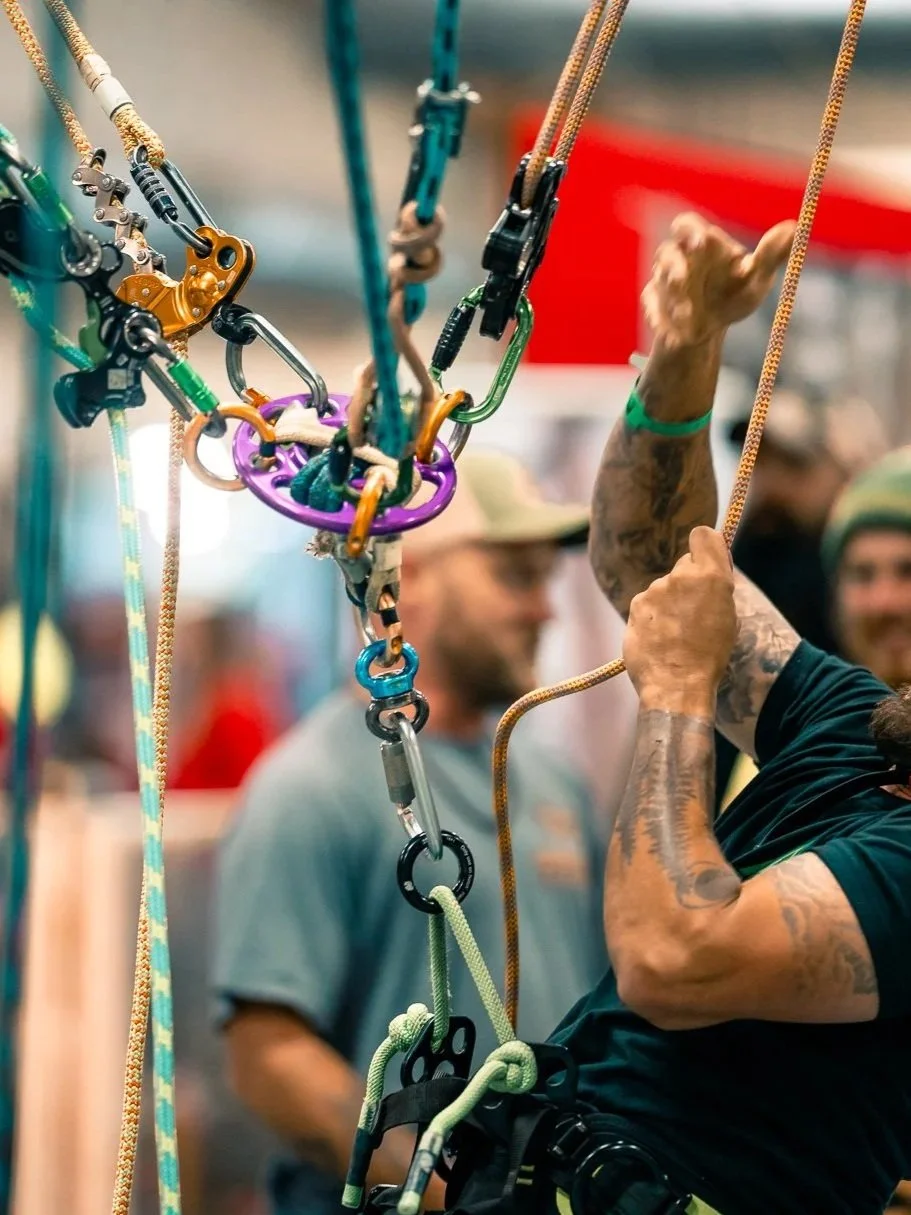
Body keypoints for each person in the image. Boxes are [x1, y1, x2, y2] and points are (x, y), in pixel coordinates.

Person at [525, 211, 911, 1215]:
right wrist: (683, 362)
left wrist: (677, 693)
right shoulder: (850, 723)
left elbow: (671, 958)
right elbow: (648, 566)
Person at [210, 448, 608, 1215]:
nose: (544, 608)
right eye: (513, 576)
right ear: (408, 578)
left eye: (544, 579)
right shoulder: (311, 786)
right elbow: (267, 1053)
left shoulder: (551, 780)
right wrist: (438, 1190)